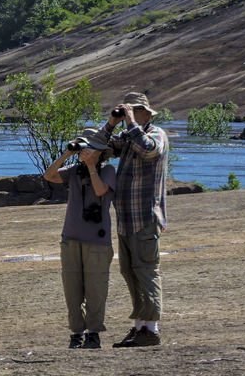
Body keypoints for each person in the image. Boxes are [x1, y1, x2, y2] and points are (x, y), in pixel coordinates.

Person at [100, 92, 170, 348]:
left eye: (132, 110)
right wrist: (111, 123)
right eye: (126, 110)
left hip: (144, 218)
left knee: (147, 271)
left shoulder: (155, 134)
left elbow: (149, 150)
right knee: (130, 273)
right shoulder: (129, 136)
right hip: (126, 219)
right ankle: (140, 326)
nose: (128, 113)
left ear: (146, 113)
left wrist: (130, 124)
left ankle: (152, 330)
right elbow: (100, 148)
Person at [45, 128, 117, 349]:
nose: (85, 151)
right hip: (71, 239)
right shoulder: (74, 170)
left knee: (96, 290)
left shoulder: (108, 171)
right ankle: (76, 333)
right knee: (72, 289)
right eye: (83, 147)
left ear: (100, 152)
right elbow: (49, 176)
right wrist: (67, 154)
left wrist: (92, 167)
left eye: (90, 148)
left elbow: (99, 191)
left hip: (97, 241)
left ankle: (93, 334)